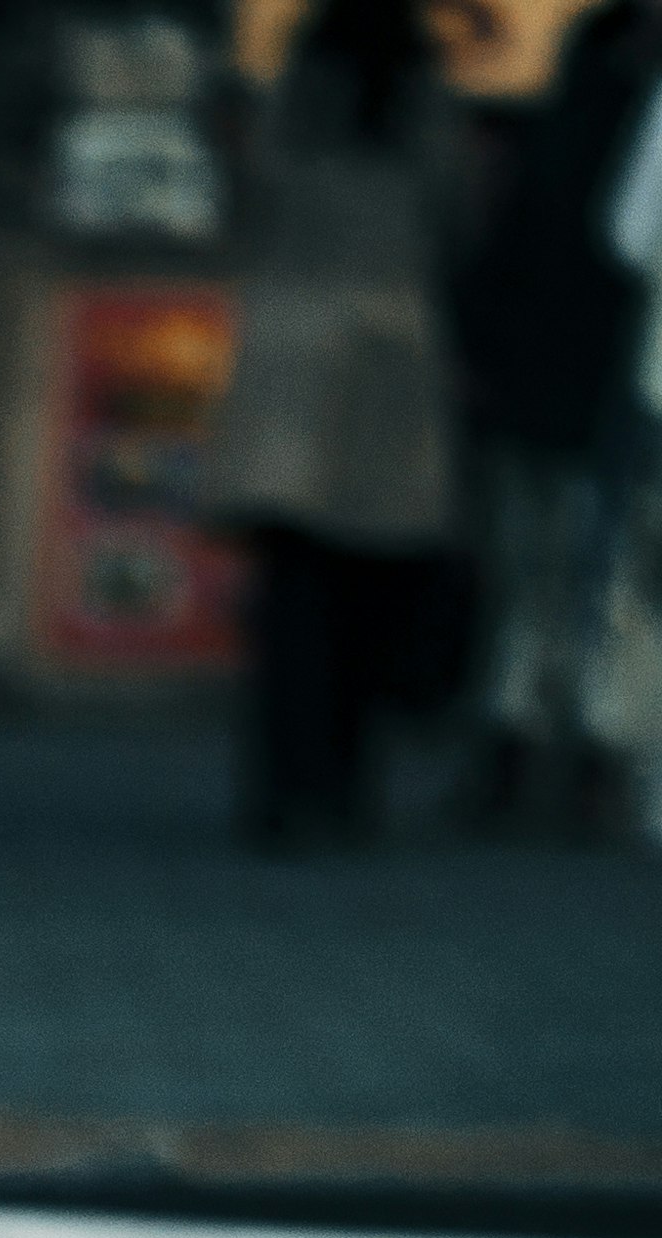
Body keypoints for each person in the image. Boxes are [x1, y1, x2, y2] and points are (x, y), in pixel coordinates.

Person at [208, 0, 484, 848]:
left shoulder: (294, 109)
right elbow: (459, 219)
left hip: (292, 356)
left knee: (292, 596)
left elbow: (247, 198)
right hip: (390, 362)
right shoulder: (426, 115)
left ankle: (281, 788)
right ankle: (345, 789)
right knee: (369, 593)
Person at [452, 0, 662, 829]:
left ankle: (515, 743)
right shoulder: (630, 129)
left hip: (542, 390)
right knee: (610, 583)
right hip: (611, 384)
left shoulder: (554, 137)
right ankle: (595, 754)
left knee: (529, 576)